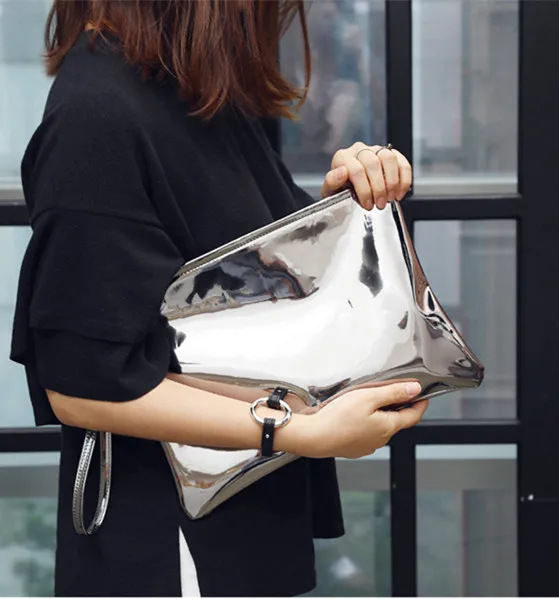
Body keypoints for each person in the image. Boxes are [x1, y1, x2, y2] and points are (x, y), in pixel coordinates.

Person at [10, 1, 428, 596]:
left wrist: (345, 204)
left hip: (235, 521)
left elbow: (247, 288)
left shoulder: (193, 95)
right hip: (172, 542)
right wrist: (296, 431)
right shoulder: (97, 114)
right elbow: (83, 385)